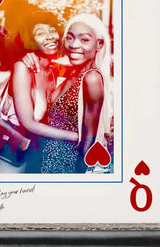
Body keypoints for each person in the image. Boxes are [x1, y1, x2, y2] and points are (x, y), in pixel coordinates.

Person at [0, 11, 77, 174]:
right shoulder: (23, 68)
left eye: (52, 30)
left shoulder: (52, 68)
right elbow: (29, 123)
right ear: (31, 40)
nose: (49, 37)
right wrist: (75, 136)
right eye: (40, 33)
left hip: (36, 153)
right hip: (12, 156)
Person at [41, 13, 112, 174]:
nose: (74, 45)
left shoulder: (91, 78)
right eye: (70, 38)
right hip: (51, 159)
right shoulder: (73, 73)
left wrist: (77, 178)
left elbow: (88, 139)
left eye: (85, 39)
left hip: (68, 165)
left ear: (99, 44)